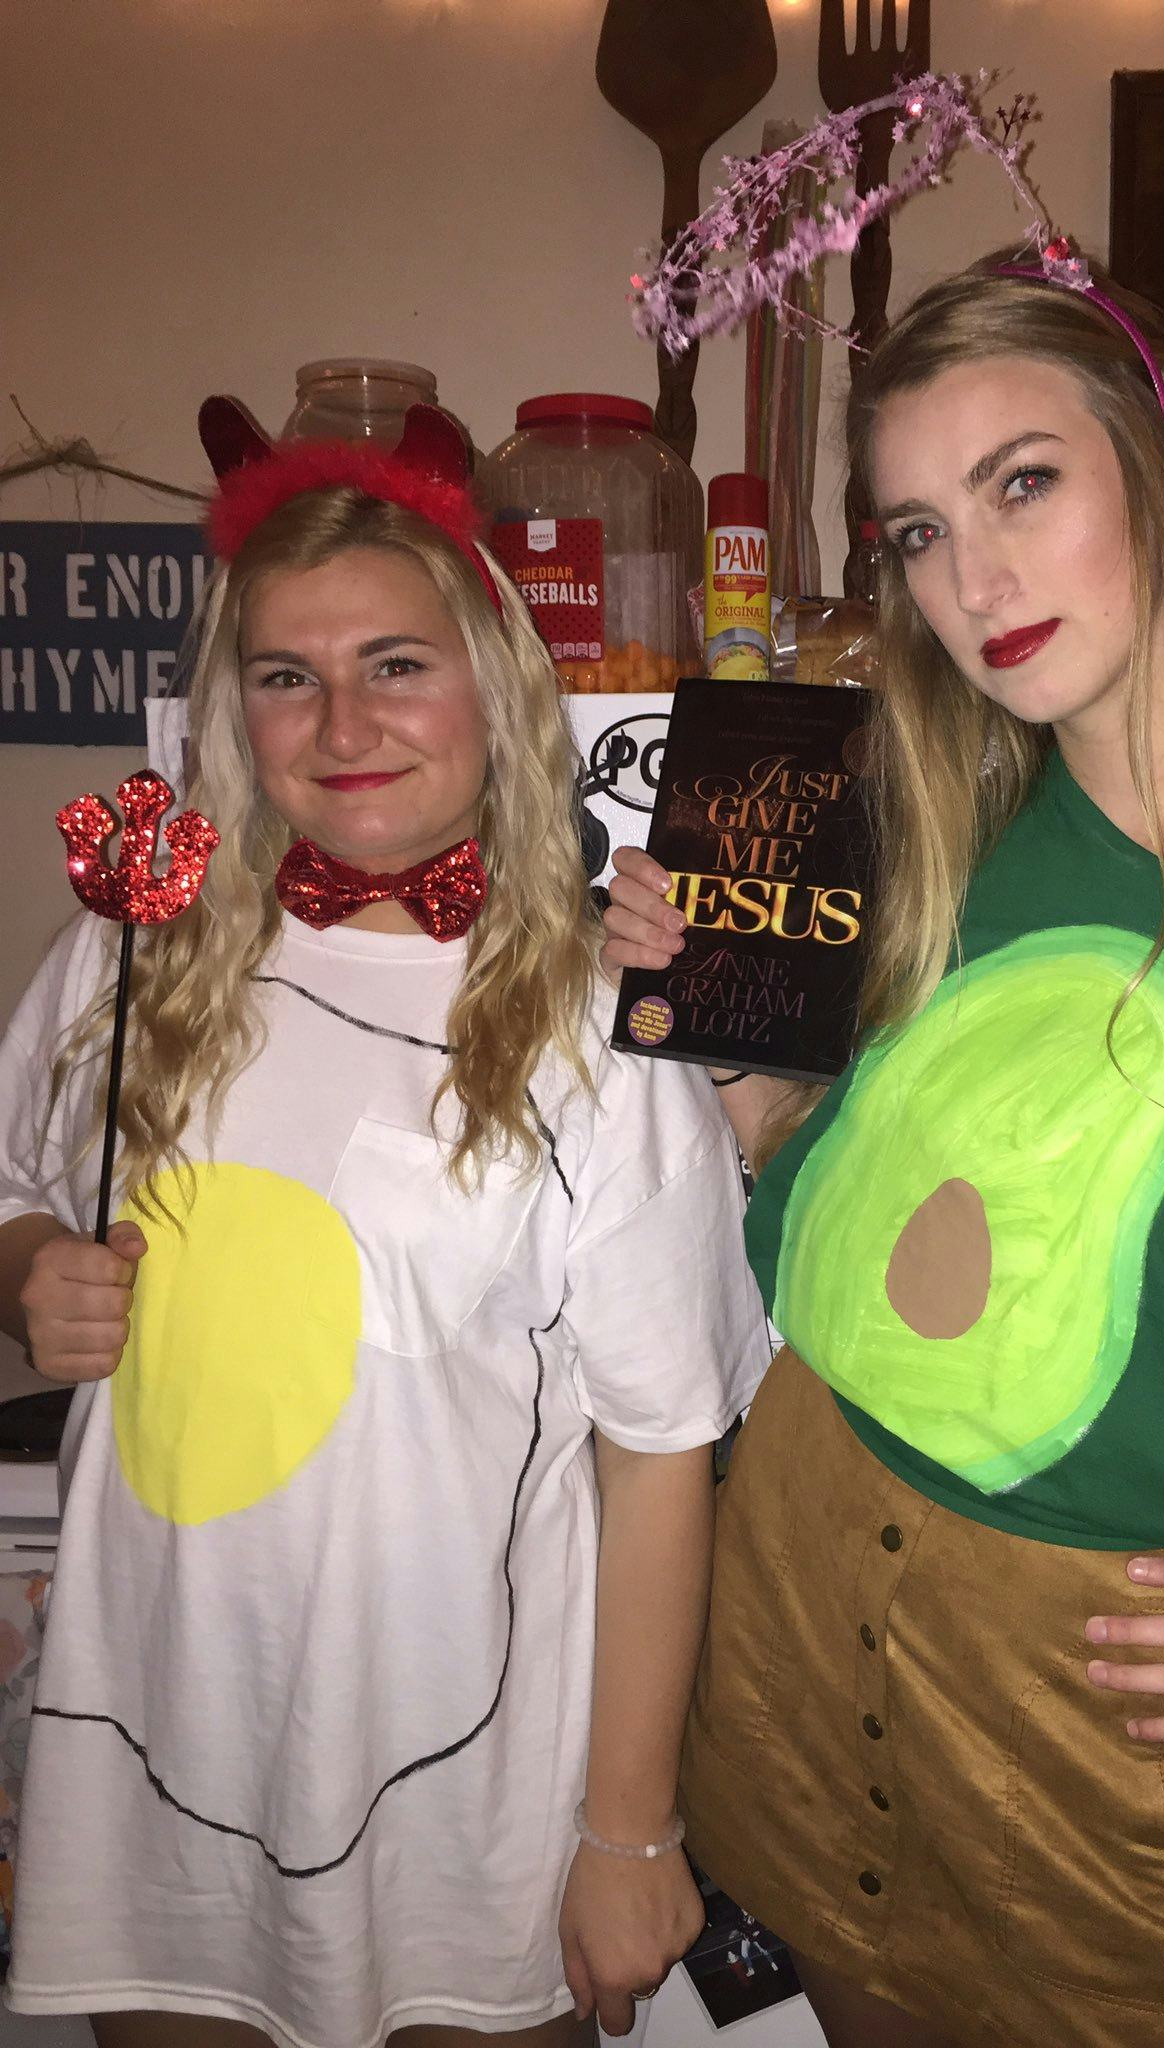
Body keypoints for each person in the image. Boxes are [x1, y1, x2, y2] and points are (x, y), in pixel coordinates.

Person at [600, 247, 1164, 2048]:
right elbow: (863, 1199)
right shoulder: (951, 819)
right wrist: (726, 1044)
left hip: (1089, 1718)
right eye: (918, 532)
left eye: (1022, 483)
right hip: (782, 1600)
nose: (973, 582)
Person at [0, 407, 768, 2048]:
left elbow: (660, 1452)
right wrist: (22, 1278)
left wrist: (631, 1833)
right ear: (237, 707)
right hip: (151, 1782)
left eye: (396, 665)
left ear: (492, 682)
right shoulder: (128, 958)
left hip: (463, 1817)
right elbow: (11, 1194)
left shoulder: (595, 1028)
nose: (342, 722)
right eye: (288, 675)